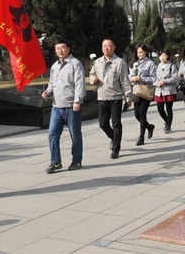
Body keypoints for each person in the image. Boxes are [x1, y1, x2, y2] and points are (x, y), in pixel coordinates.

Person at [42, 40, 85, 173]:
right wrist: (48, 91)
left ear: (68, 48)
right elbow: (51, 83)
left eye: (62, 48)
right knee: (52, 134)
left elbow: (80, 84)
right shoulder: (54, 66)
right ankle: (55, 162)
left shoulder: (75, 64)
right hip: (57, 106)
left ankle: (76, 161)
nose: (60, 51)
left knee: (75, 134)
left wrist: (77, 101)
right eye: (57, 49)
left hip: (71, 106)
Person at [90, 39, 132, 159]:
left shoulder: (120, 62)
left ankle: (116, 149)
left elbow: (125, 81)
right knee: (103, 124)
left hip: (115, 97)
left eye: (109, 46)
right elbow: (92, 74)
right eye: (104, 46)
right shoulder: (97, 62)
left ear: (114, 47)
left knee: (116, 123)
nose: (106, 48)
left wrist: (128, 97)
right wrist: (93, 79)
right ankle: (114, 138)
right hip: (102, 97)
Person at [130, 44, 157, 145]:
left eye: (141, 52)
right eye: (137, 52)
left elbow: (154, 78)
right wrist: (132, 78)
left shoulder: (150, 63)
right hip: (136, 91)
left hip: (146, 91)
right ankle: (149, 127)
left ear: (145, 52)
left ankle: (141, 137)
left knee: (142, 113)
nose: (139, 54)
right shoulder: (135, 63)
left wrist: (141, 78)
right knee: (137, 115)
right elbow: (130, 75)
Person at [154, 50, 179, 133]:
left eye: (164, 55)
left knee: (169, 109)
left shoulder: (172, 66)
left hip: (169, 90)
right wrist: (156, 83)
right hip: (159, 91)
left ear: (167, 56)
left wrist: (164, 81)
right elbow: (154, 78)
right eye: (160, 56)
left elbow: (174, 78)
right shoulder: (158, 66)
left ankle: (168, 126)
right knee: (160, 109)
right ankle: (167, 121)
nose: (162, 57)